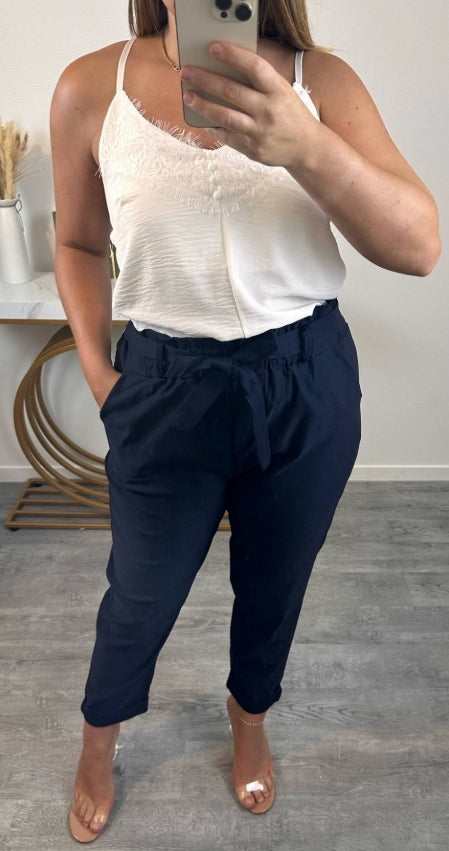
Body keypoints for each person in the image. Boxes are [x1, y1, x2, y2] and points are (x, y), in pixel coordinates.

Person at [50, 0, 440, 842]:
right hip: (164, 384)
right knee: (139, 595)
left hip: (303, 380)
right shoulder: (90, 86)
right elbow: (77, 243)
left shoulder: (319, 81)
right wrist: (98, 371)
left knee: (274, 583)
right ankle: (98, 737)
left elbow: (417, 247)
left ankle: (249, 715)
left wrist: (302, 142)